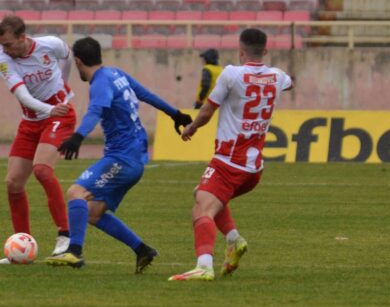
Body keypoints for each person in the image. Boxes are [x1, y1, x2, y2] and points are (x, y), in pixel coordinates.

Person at [45, 37, 193, 272]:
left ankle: (74, 251)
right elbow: (147, 94)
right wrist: (176, 114)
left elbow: (96, 110)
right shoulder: (117, 74)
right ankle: (142, 250)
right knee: (92, 213)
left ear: (79, 61)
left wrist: (77, 137)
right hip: (133, 158)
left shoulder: (100, 83)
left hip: (122, 159)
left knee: (76, 192)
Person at [169, 28, 293, 282]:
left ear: (240, 50)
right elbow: (290, 83)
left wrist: (191, 128)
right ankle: (234, 240)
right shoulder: (277, 76)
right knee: (202, 193)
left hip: (229, 161)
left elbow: (206, 111)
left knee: (201, 209)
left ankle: (204, 266)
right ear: (266, 50)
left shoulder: (232, 74)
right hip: (254, 168)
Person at [0, 15, 75, 263]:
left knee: (42, 170)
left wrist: (63, 85)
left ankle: (66, 235)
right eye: (2, 44)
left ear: (22, 37)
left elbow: (68, 56)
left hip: (60, 116)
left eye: (8, 44)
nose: (4, 49)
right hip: (32, 121)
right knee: (13, 183)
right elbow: (22, 95)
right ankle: (22, 244)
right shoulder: (4, 60)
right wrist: (49, 109)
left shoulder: (50, 44)